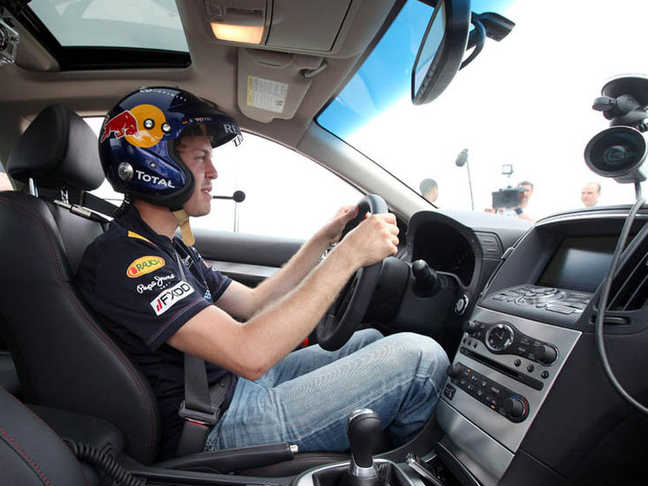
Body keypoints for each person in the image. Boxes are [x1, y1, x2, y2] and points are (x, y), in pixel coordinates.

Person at [76, 88, 448, 459]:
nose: (214, 172)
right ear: (154, 163)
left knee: (369, 339)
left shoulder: (170, 247)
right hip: (213, 422)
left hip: (230, 386)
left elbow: (254, 302)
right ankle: (409, 474)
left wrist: (324, 241)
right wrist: (348, 256)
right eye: (201, 158)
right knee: (421, 359)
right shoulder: (125, 258)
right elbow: (249, 353)